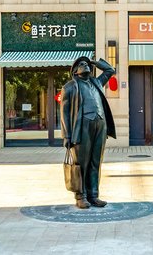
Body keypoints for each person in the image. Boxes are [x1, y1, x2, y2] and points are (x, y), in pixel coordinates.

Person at [60, 56, 116, 209]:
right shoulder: (69, 87)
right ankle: (81, 196)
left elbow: (110, 70)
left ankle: (93, 195)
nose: (85, 65)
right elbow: (64, 113)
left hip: (100, 125)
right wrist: (67, 135)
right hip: (82, 127)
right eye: (81, 64)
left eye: (86, 64)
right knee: (81, 163)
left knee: (96, 162)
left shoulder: (96, 82)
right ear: (75, 71)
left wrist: (95, 62)